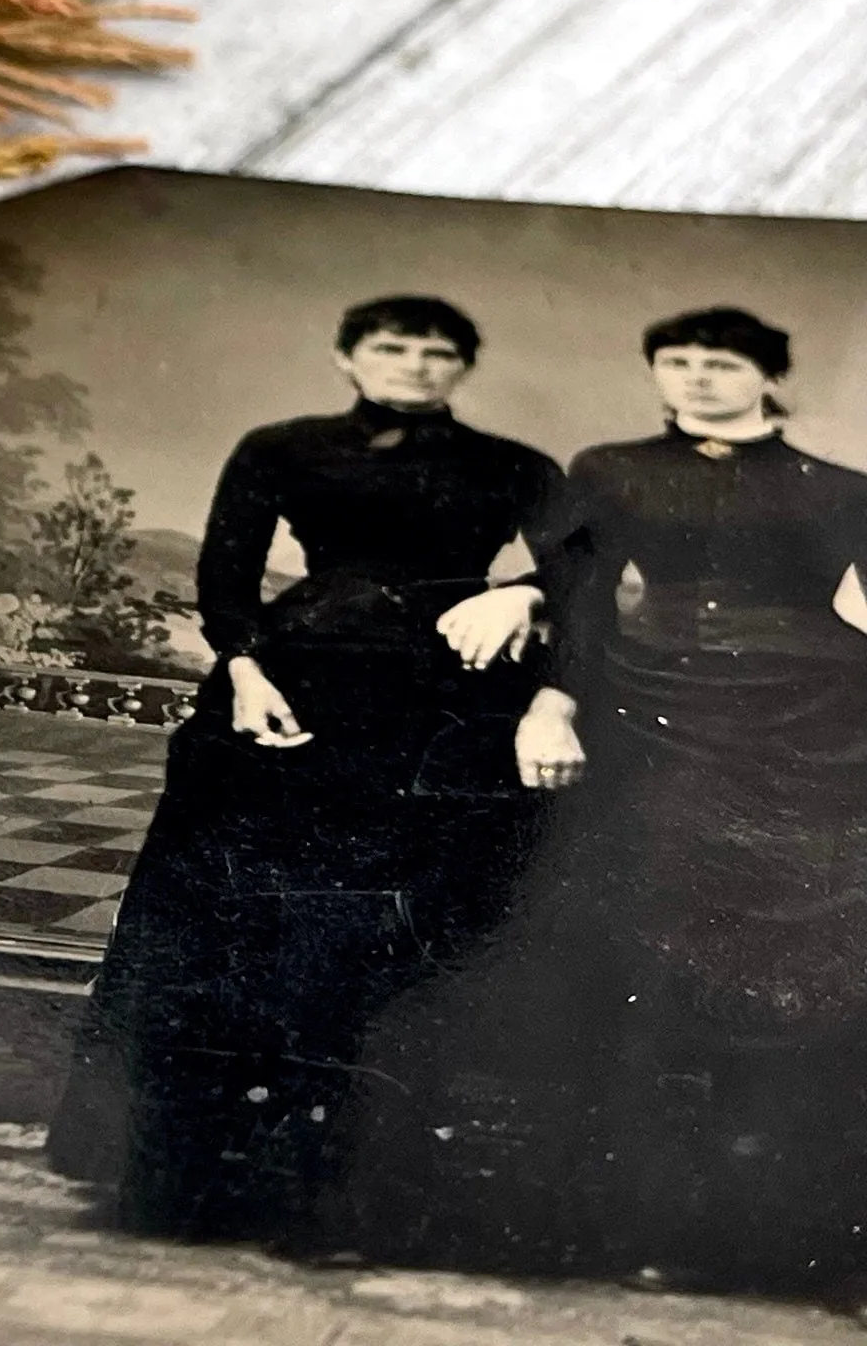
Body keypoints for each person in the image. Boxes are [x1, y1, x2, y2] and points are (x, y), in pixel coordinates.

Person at [332, 307, 867, 1298]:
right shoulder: (611, 465)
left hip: (805, 723)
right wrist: (529, 615)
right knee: (634, 955)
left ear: (769, 375)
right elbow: (572, 578)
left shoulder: (838, 488)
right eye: (675, 359)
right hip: (654, 706)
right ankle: (620, 1223)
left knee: (785, 954)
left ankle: (760, 1235)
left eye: (721, 361)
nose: (696, 376)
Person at [47, 294, 576, 1241]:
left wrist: (525, 590)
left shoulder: (515, 466)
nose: (415, 364)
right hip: (288, 691)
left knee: (377, 937)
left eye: (438, 351)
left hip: (440, 711)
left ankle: (339, 1184)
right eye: (392, 346)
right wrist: (245, 675)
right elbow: (225, 575)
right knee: (231, 919)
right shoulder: (281, 447)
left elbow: (583, 558)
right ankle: (184, 1175)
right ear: (347, 357)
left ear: (462, 368)